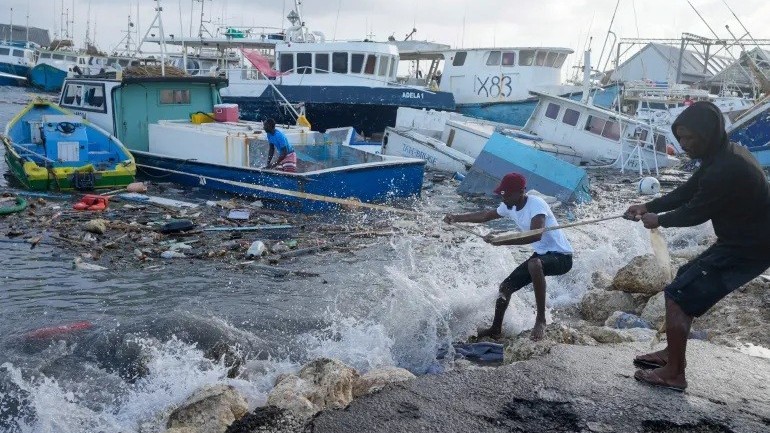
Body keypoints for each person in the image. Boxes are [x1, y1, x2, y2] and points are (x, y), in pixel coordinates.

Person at [624, 101, 770, 392]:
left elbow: (695, 212)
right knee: (685, 276)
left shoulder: (725, 168)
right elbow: (688, 191)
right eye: (681, 138)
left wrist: (657, 219)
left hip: (751, 247)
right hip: (743, 240)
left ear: (708, 133)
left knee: (678, 295)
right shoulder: (722, 155)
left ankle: (675, 373)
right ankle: (671, 354)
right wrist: (648, 205)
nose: (684, 145)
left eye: (690, 138)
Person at [444, 173, 574, 341]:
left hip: (562, 257)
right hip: (542, 256)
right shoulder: (509, 206)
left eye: (507, 195)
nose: (503, 198)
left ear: (521, 192)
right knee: (505, 288)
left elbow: (535, 235)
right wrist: (456, 218)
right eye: (502, 194)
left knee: (534, 264)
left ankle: (540, 320)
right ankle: (495, 329)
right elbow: (485, 216)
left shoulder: (537, 204)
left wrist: (502, 240)